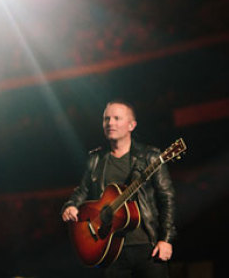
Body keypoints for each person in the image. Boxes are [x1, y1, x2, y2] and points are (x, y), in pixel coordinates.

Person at [61, 100, 176, 277]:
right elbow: (82, 190)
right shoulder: (96, 159)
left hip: (149, 248)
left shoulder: (150, 157)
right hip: (109, 251)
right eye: (106, 119)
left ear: (132, 125)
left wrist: (165, 239)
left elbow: (166, 198)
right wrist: (71, 205)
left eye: (116, 118)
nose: (110, 123)